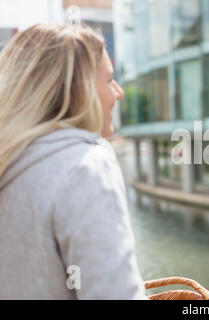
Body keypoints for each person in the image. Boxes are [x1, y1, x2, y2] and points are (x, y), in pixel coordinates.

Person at [0, 23, 146, 299]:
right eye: (108, 79)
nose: (119, 92)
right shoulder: (85, 165)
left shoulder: (10, 162)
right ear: (79, 90)